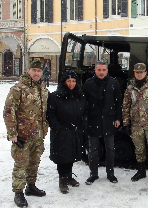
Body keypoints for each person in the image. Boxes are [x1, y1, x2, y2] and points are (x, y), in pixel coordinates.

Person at [3, 59, 49, 208]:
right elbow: (9, 112)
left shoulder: (42, 88)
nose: (36, 73)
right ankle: (18, 192)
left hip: (38, 134)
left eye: (39, 71)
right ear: (28, 71)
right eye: (34, 70)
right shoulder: (18, 89)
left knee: (34, 162)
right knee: (21, 164)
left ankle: (31, 186)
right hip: (23, 134)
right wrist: (12, 134)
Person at [82, 60, 122, 185]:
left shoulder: (113, 83)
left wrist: (118, 118)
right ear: (95, 70)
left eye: (103, 70)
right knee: (93, 148)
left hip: (109, 120)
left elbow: (118, 103)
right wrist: (84, 118)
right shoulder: (88, 84)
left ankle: (110, 173)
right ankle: (93, 174)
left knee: (110, 148)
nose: (101, 72)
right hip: (93, 119)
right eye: (99, 70)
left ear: (107, 71)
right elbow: (83, 102)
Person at [47, 70, 86, 194]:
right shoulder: (55, 96)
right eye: (69, 81)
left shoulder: (79, 95)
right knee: (62, 156)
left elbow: (84, 111)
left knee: (72, 154)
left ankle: (69, 176)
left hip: (75, 130)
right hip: (61, 130)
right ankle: (62, 179)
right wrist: (57, 128)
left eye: (73, 81)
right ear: (64, 82)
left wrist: (81, 125)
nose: (71, 84)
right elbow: (51, 114)